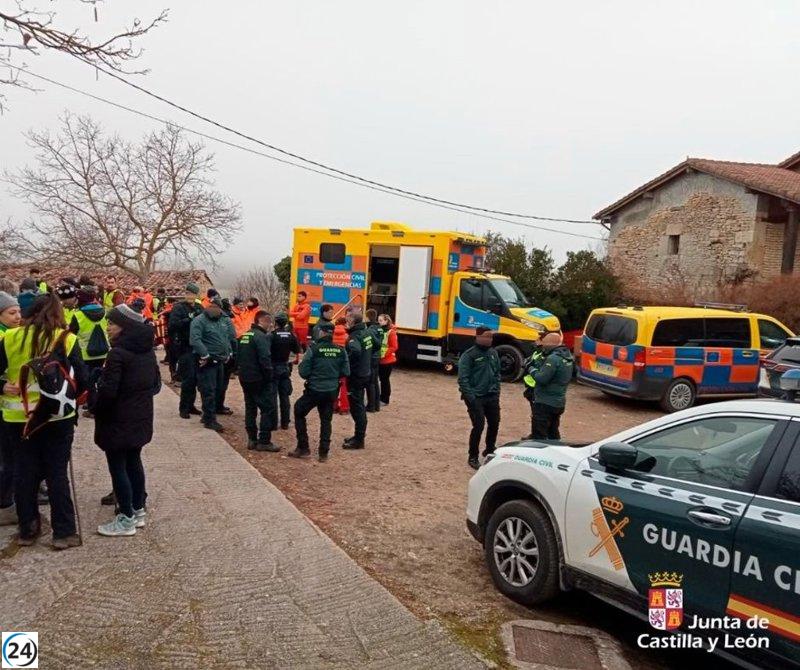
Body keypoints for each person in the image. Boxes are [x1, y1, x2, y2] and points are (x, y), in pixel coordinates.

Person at [0, 293, 88, 549]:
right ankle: (64, 532)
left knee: (23, 472)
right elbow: (81, 378)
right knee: (57, 473)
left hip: (20, 417)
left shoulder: (9, 338)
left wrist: (4, 387)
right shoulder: (67, 339)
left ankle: (28, 529)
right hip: (56, 416)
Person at [91, 305, 160, 537]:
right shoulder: (147, 351)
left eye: (112, 323)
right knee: (134, 462)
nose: (108, 327)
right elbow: (155, 386)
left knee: (118, 467)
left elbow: (109, 393)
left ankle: (126, 518)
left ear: (125, 327)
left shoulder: (117, 354)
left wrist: (95, 402)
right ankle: (138, 510)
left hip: (118, 420)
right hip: (140, 418)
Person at [289, 322, 349, 462]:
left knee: (299, 411)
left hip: (314, 390)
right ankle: (323, 453)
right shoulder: (340, 350)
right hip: (331, 391)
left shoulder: (313, 349)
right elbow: (346, 371)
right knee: (326, 420)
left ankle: (303, 448)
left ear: (321, 332)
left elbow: (303, 372)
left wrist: (315, 375)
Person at [190, 296, 237, 432]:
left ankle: (208, 415)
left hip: (220, 360)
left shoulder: (221, 320)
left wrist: (229, 353)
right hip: (207, 361)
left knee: (218, 388)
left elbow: (227, 337)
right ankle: (210, 419)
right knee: (208, 390)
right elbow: (195, 340)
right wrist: (205, 354)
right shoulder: (199, 321)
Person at [458, 327, 501, 470]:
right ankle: (473, 456)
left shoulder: (493, 353)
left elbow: (497, 373)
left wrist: (496, 391)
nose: (489, 340)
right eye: (486, 337)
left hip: (492, 396)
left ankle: (489, 449)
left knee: (494, 423)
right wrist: (471, 397)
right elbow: (463, 379)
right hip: (476, 398)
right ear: (477, 337)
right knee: (479, 426)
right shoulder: (469, 355)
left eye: (490, 337)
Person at [238, 310, 279, 452]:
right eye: (269, 322)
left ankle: (251, 439)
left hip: (245, 377)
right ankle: (264, 441)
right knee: (267, 409)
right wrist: (269, 377)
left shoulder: (245, 335)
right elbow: (265, 359)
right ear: (263, 321)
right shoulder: (262, 337)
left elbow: (238, 355)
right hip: (259, 378)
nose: (270, 325)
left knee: (250, 408)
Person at [522, 332, 574, 441]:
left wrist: (530, 368)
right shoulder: (568, 356)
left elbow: (542, 378)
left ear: (550, 345)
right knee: (553, 431)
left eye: (544, 345)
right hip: (558, 401)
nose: (543, 347)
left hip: (545, 402)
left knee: (539, 435)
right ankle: (556, 452)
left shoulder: (553, 359)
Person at [0, 292, 22, 526]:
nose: (17, 317)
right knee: (6, 459)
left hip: (11, 405)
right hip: (4, 404)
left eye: (18, 312)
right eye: (11, 313)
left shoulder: (11, 334)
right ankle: (5, 504)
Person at [169, 283, 204, 419]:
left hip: (197, 346)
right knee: (188, 378)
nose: (190, 296)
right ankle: (183, 408)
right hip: (184, 346)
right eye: (188, 293)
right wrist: (188, 319)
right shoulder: (179, 308)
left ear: (196, 296)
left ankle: (191, 405)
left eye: (193, 294)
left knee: (195, 378)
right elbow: (172, 325)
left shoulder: (200, 308)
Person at [343, 312, 372, 450]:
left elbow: (355, 352)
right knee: (358, 405)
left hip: (356, 376)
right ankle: (357, 436)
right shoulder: (367, 332)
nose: (346, 321)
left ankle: (359, 439)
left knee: (357, 407)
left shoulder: (355, 336)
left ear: (353, 321)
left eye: (348, 319)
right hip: (366, 372)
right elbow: (376, 345)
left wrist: (346, 364)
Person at [270, 313, 301, 430]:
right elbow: (297, 353)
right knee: (285, 396)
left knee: (273, 396)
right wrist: (289, 363)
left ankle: (273, 424)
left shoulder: (272, 335)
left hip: (273, 368)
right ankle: (285, 423)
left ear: (275, 323)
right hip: (285, 367)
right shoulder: (291, 336)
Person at [70, 286, 110, 376]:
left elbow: (71, 335)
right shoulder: (105, 312)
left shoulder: (77, 315)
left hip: (84, 355)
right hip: (104, 353)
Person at [364, 309, 383, 412]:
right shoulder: (379, 327)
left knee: (370, 382)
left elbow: (375, 344)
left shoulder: (370, 329)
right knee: (375, 381)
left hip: (372, 357)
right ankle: (376, 405)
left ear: (367, 317)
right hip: (377, 356)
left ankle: (371, 406)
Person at [378, 314, 398, 406]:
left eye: (381, 320)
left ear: (386, 321)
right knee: (382, 380)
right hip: (381, 359)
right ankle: (381, 397)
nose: (379, 322)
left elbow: (394, 347)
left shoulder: (391, 332)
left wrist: (383, 354)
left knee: (384, 380)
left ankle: (385, 399)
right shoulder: (380, 330)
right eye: (379, 320)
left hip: (387, 360)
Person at [333, 317, 350, 414]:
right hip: (343, 363)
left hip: (333, 363)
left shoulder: (331, 334)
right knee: (343, 386)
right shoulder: (347, 336)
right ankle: (344, 407)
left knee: (334, 385)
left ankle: (333, 406)